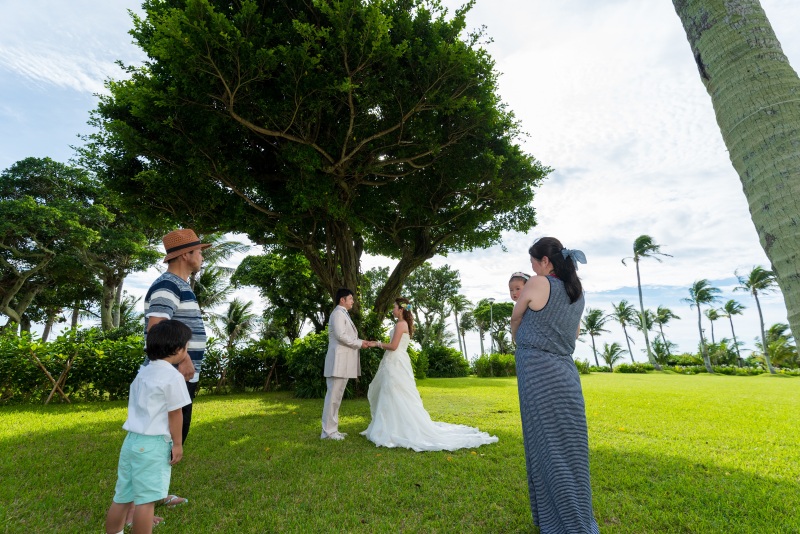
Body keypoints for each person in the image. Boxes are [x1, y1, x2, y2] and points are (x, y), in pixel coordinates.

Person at [510, 237, 598, 533]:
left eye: (534, 261)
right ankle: (577, 516)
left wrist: (520, 338)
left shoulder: (538, 283)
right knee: (570, 448)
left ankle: (560, 522)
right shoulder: (577, 291)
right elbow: (573, 335)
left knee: (544, 444)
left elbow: (516, 317)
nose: (532, 267)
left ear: (545, 262)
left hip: (537, 372)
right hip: (565, 373)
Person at [360, 297, 498, 452]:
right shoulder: (402, 324)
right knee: (392, 393)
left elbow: (393, 346)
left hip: (395, 362)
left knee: (394, 392)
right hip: (395, 361)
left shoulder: (400, 324)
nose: (392, 310)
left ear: (401, 309)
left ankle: (395, 428)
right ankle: (390, 425)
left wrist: (375, 343)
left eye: (394, 307)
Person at [138, 228, 210, 516]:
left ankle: (156, 493)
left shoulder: (180, 285)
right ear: (185, 255)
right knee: (155, 440)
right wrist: (182, 360)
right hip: (168, 379)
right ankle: (135, 511)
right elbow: (156, 330)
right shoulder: (168, 285)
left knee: (169, 438)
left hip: (178, 380)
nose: (202, 256)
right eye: (199, 251)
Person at [104, 320, 193, 534]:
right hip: (152, 446)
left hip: (131, 442)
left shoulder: (142, 372)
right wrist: (178, 444)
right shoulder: (173, 377)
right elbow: (175, 414)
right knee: (146, 502)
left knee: (122, 497)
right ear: (179, 349)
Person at [321, 288, 370, 440]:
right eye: (350, 299)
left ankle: (332, 430)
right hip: (337, 361)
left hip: (342, 363)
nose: (352, 301)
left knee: (337, 398)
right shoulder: (337, 314)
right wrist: (359, 343)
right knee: (333, 398)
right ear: (342, 300)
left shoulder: (342, 314)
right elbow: (341, 336)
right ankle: (328, 432)